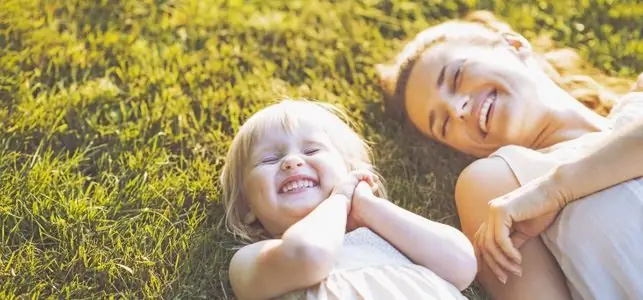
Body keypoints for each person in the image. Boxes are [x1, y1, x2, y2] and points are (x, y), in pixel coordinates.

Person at [377, 10, 643, 300]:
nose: (458, 109)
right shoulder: (499, 186)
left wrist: (556, 190)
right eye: (443, 124)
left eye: (456, 76)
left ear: (513, 45)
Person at [220, 99, 477, 299]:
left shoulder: (391, 235)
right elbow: (308, 255)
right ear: (247, 208)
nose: (292, 161)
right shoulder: (253, 259)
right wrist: (339, 200)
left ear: (351, 173)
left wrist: (369, 207)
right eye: (269, 159)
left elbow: (462, 264)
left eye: (311, 150)